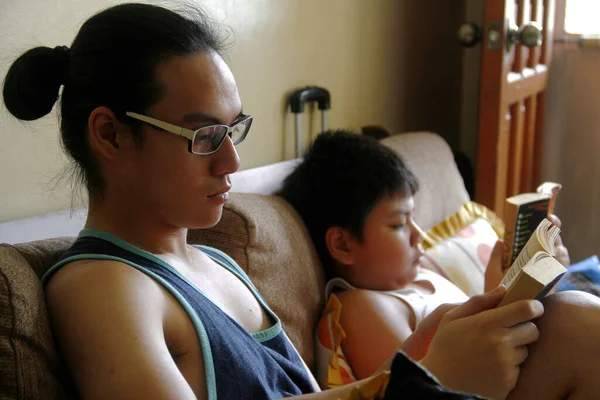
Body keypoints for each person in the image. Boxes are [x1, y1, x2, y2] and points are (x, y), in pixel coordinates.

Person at [1, 3, 588, 399]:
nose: (231, 163)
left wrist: (428, 351)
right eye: (204, 136)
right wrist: (425, 383)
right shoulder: (103, 284)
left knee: (566, 321)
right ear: (109, 135)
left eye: (234, 131)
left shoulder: (218, 263)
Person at [280, 130, 600, 399]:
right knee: (582, 321)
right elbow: (426, 386)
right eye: (398, 224)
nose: (419, 235)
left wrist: (516, 284)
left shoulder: (425, 276)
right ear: (342, 244)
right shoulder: (360, 305)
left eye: (414, 219)